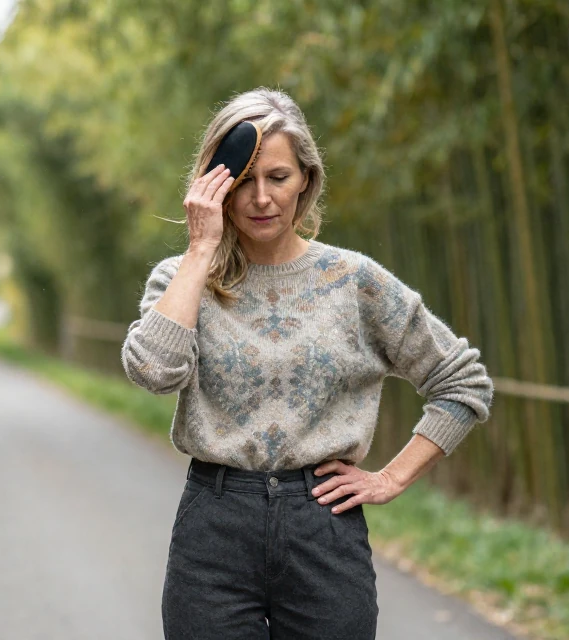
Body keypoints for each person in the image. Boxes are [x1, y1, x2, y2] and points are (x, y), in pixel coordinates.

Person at [120, 87, 495, 639]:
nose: (261, 198)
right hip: (214, 531)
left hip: (324, 529)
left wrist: (390, 478)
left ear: (306, 180)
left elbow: (464, 384)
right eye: (243, 179)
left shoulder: (354, 282)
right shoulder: (182, 278)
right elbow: (153, 372)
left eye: (278, 177)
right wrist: (200, 250)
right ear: (214, 184)